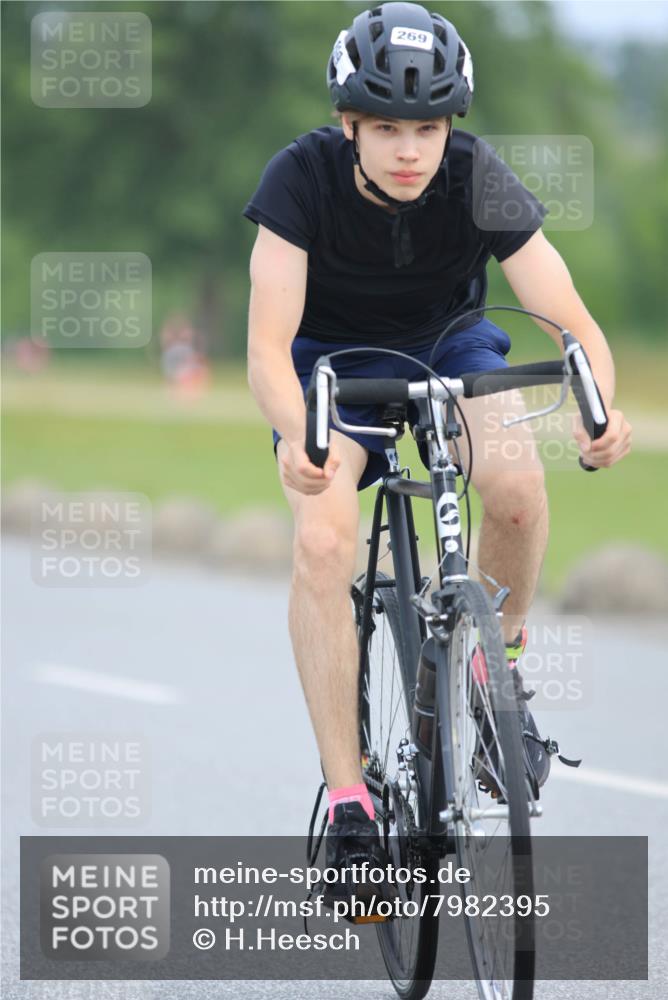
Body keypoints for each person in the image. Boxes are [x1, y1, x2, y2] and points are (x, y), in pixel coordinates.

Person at [244, 1, 631, 917]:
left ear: (452, 125)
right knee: (324, 543)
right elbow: (265, 349)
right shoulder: (299, 178)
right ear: (349, 123)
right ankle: (349, 804)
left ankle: (497, 672)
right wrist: (300, 435)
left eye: (428, 128)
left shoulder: (477, 176)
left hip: (451, 347)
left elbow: (572, 323)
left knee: (518, 486)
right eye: (387, 128)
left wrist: (600, 408)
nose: (410, 150)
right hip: (331, 366)